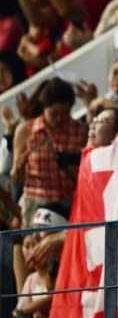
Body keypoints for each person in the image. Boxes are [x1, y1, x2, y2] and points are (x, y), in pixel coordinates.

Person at [12, 78, 87, 227]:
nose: (59, 119)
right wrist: (20, 166)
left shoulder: (80, 131)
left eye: (65, 113)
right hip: (36, 203)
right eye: (54, 113)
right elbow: (16, 177)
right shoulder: (26, 130)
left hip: (68, 202)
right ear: (43, 107)